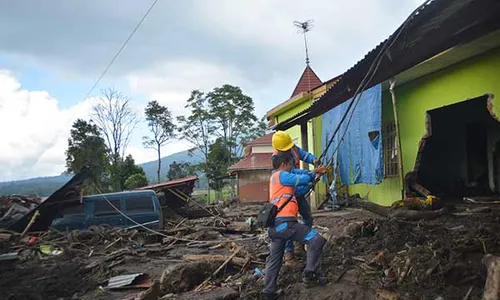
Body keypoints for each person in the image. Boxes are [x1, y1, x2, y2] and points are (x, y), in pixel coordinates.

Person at [263, 151, 328, 299]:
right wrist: (314, 172)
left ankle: (269, 292)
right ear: (284, 164)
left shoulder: (278, 180)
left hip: (275, 228)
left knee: (274, 259)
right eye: (291, 164)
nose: (292, 167)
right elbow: (302, 177)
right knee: (316, 240)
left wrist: (315, 176)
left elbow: (303, 186)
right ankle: (309, 274)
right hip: (285, 224)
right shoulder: (281, 175)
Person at [271, 130, 323, 263]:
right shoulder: (278, 159)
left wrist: (314, 159)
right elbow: (293, 174)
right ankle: (289, 252)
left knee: (307, 217)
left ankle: (300, 243)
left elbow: (303, 155)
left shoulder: (292, 148)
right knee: (289, 224)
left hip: (297, 190)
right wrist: (312, 173)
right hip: (288, 193)